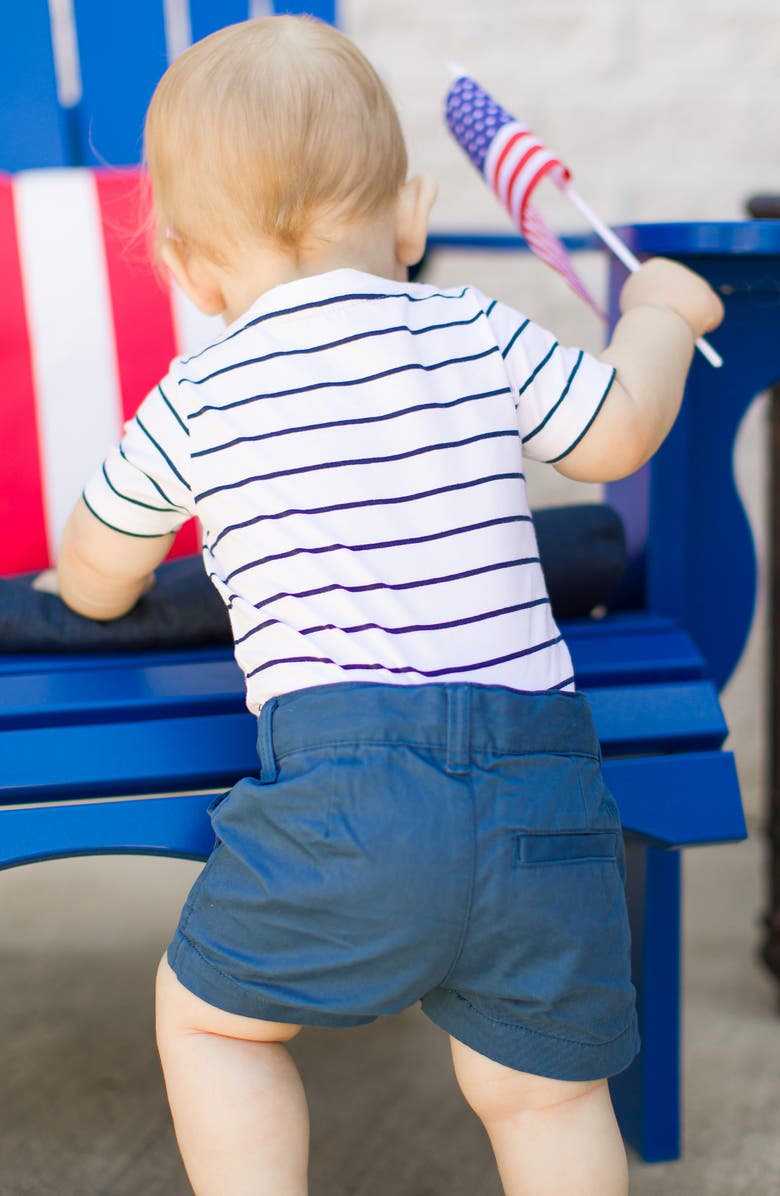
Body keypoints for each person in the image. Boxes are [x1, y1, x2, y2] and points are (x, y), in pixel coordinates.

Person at [52, 15, 724, 1196]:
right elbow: (619, 428)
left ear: (189, 267)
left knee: (210, 1019)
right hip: (541, 794)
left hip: (343, 803)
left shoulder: (195, 393)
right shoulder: (471, 327)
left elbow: (103, 566)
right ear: (409, 219)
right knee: (542, 1090)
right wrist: (662, 313)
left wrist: (83, 583)